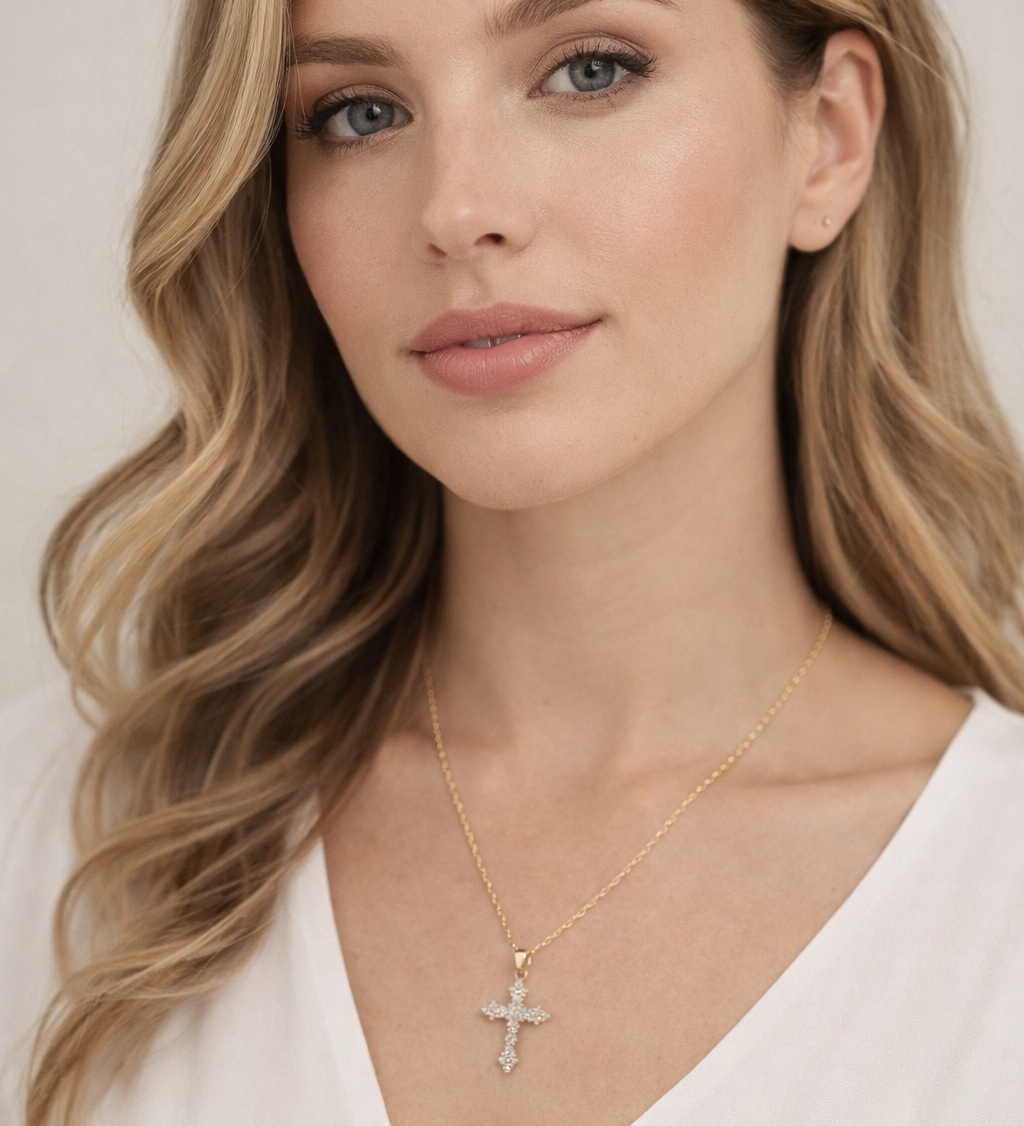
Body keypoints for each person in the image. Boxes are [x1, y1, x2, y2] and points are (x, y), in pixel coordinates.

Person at [2, 0, 1023, 1122]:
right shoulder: (64, 825)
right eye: (358, 112)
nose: (457, 210)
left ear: (828, 134)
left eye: (588, 70)